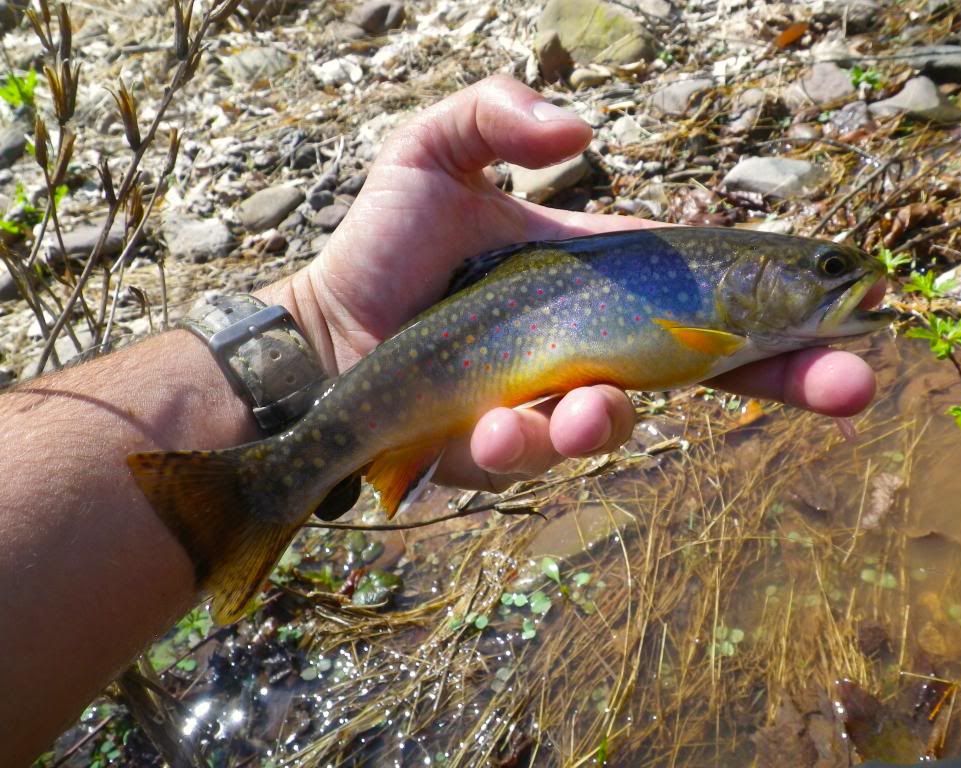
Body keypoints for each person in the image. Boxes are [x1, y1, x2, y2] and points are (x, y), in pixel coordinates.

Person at [0, 75, 877, 764]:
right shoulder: (716, 321)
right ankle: (258, 493)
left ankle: (262, 491)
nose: (848, 281)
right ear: (750, 280)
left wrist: (315, 327)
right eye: (830, 269)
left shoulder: (722, 301)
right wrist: (323, 317)